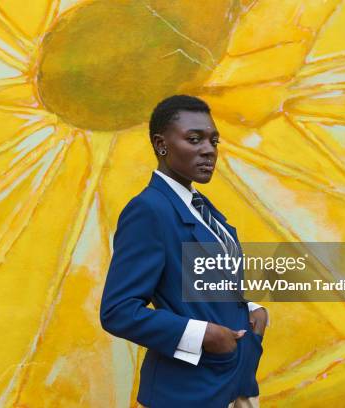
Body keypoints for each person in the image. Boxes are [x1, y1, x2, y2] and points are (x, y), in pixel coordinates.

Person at [100, 95, 269, 408]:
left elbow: (194, 284)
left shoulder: (202, 209)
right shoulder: (149, 210)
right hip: (185, 393)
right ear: (162, 145)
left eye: (213, 140)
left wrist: (251, 309)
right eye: (194, 139)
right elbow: (118, 311)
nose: (209, 150)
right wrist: (206, 335)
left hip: (233, 385)